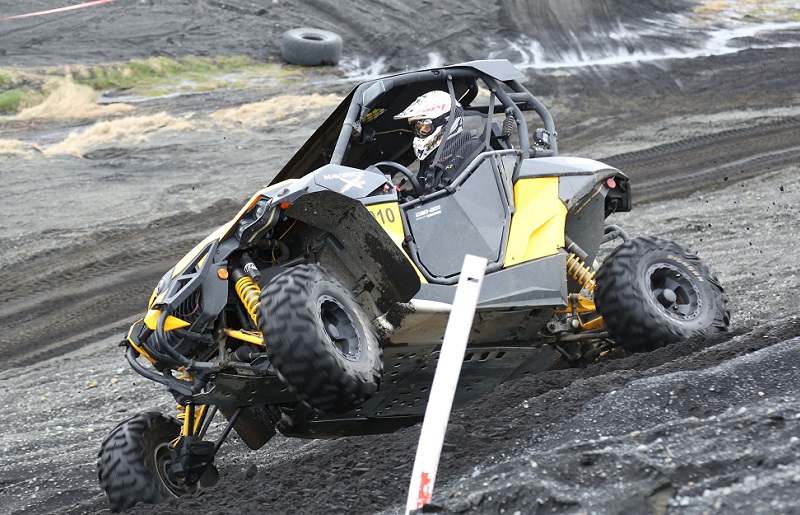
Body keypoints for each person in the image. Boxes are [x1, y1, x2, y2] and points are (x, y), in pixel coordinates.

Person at [394, 90, 485, 193]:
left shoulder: (471, 150)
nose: (420, 134)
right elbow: (422, 191)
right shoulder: (433, 157)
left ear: (446, 121)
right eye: (417, 128)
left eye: (425, 127)